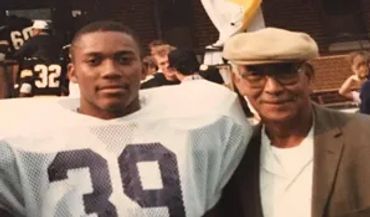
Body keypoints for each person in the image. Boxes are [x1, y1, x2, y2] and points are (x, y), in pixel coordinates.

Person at [0, 20, 251, 217]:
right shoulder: (21, 137)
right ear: (73, 73)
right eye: (94, 61)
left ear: (143, 69)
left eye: (123, 59)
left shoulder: (202, 118)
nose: (110, 72)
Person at [212, 27, 370, 217]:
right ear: (238, 82)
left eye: (285, 72)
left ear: (309, 76)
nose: (273, 88)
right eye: (255, 75)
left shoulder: (363, 137)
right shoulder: (233, 157)